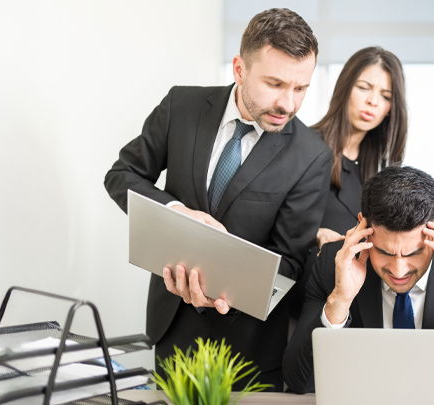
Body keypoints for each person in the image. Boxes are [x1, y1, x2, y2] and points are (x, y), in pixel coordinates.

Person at [103, 8, 331, 390]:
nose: (288, 104)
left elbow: (289, 262)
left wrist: (224, 290)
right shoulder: (181, 107)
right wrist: (176, 213)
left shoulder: (312, 156)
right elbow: (122, 175)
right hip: (172, 330)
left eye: (301, 88)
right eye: (275, 84)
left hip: (250, 351)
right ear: (239, 69)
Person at [282, 166, 434, 396]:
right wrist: (340, 301)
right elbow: (299, 380)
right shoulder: (334, 264)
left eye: (413, 253)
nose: (398, 269)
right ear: (363, 224)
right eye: (384, 252)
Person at [283, 46, 408, 319]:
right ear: (345, 87)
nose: (373, 102)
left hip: (355, 303)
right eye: (365, 87)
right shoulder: (301, 145)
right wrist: (314, 233)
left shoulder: (374, 174)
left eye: (385, 96)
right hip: (301, 297)